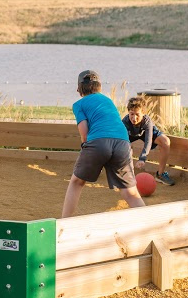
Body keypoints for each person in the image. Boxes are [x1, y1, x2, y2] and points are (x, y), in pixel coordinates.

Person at [62, 70, 145, 218]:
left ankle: (64, 224)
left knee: (76, 182)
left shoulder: (79, 104)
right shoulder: (108, 101)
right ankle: (150, 225)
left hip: (98, 142)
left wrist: (86, 150)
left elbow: (84, 133)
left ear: (79, 88)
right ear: (99, 86)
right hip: (123, 143)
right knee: (130, 192)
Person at [122, 97, 175, 186]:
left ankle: (160, 175)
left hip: (145, 132)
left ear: (143, 113)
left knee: (165, 141)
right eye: (131, 114)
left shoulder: (147, 122)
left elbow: (148, 141)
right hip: (130, 134)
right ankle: (127, 176)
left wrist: (142, 158)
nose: (134, 118)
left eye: (137, 114)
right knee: (123, 148)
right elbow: (123, 143)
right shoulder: (124, 122)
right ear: (128, 112)